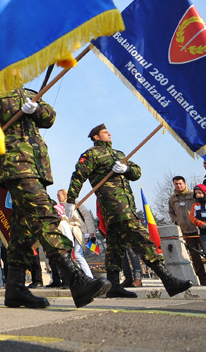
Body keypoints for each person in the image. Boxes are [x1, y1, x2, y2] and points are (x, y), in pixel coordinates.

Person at [0, 88, 109, 309]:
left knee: (21, 232)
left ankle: (15, 289)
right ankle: (75, 278)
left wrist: (36, 108)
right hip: (15, 163)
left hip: (37, 166)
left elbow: (50, 117)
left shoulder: (30, 93)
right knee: (44, 216)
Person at [69, 123, 191, 299]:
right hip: (114, 206)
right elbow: (78, 176)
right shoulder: (91, 154)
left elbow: (137, 172)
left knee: (114, 246)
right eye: (105, 132)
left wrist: (126, 169)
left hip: (127, 206)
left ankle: (113, 286)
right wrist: (71, 200)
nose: (109, 134)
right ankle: (168, 280)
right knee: (142, 239)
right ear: (96, 137)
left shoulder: (119, 154)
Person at [168, 176, 206, 286]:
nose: (178, 186)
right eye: (176, 184)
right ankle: (203, 279)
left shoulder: (193, 195)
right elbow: (171, 212)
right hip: (185, 231)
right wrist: (176, 221)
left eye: (180, 183)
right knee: (195, 256)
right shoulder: (172, 199)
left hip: (198, 229)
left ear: (185, 183)